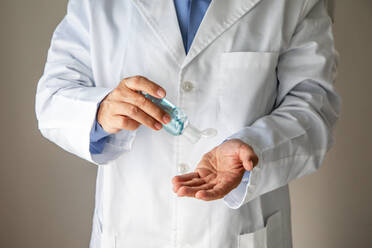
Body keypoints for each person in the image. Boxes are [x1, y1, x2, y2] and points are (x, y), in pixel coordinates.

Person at [35, 0, 341, 247]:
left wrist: (256, 146)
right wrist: (101, 110)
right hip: (130, 231)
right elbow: (53, 97)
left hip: (236, 233)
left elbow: (313, 107)